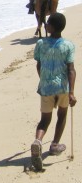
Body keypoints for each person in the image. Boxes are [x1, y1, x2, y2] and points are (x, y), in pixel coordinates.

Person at [31, 12, 77, 171]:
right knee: (62, 115)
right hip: (63, 88)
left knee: (44, 120)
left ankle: (37, 142)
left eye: (48, 23)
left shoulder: (41, 43)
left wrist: (43, 79)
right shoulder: (68, 45)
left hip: (46, 87)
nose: (45, 24)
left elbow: (38, 64)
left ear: (52, 27)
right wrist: (72, 92)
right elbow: (71, 70)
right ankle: (55, 145)